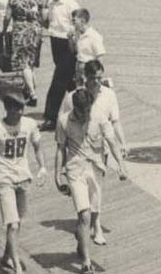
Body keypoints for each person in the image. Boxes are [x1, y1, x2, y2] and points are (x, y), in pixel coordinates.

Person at [54, 87, 127, 274]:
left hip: (96, 168)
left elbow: (111, 141)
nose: (84, 115)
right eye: (80, 111)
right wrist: (57, 174)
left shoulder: (100, 117)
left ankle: (81, 240)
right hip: (75, 170)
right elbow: (60, 149)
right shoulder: (64, 120)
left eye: (87, 110)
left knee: (94, 212)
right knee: (84, 215)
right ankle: (86, 263)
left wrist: (120, 164)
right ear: (74, 108)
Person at [0, 93, 46, 274]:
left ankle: (6, 256)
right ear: (8, 108)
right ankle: (16, 267)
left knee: (17, 222)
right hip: (4, 179)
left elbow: (37, 146)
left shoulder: (30, 125)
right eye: (17, 108)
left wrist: (42, 166)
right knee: (12, 224)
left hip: (23, 178)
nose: (21, 112)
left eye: (22, 107)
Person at [40, 0, 81, 132]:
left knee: (58, 80)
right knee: (69, 81)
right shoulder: (50, 3)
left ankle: (50, 117)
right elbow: (48, 23)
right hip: (55, 41)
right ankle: (79, 109)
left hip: (67, 44)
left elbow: (78, 26)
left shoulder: (71, 4)